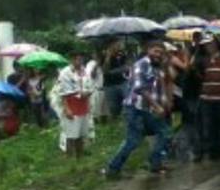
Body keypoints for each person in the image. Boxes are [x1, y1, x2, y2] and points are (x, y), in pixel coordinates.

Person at [104, 40, 171, 177]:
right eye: (155, 51)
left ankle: (155, 163)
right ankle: (112, 168)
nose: (158, 54)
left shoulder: (157, 67)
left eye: (161, 52)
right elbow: (140, 88)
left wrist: (165, 103)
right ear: (148, 51)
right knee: (133, 140)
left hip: (148, 109)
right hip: (135, 108)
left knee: (164, 132)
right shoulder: (141, 64)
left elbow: (159, 88)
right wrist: (157, 106)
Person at [55, 49, 96, 158]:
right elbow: (62, 92)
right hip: (71, 104)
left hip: (84, 104)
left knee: (81, 133)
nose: (79, 61)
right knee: (71, 134)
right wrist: (66, 108)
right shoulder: (65, 73)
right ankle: (68, 156)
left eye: (81, 59)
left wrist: (87, 93)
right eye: (77, 59)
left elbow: (90, 85)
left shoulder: (85, 71)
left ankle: (80, 156)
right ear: (72, 60)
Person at [100, 41, 132, 121]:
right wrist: (108, 57)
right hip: (109, 85)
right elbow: (104, 70)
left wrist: (125, 65)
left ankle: (127, 119)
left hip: (123, 82)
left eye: (119, 44)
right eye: (116, 45)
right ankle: (114, 122)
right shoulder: (104, 55)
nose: (118, 46)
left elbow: (128, 67)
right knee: (113, 107)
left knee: (128, 101)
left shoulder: (123, 54)